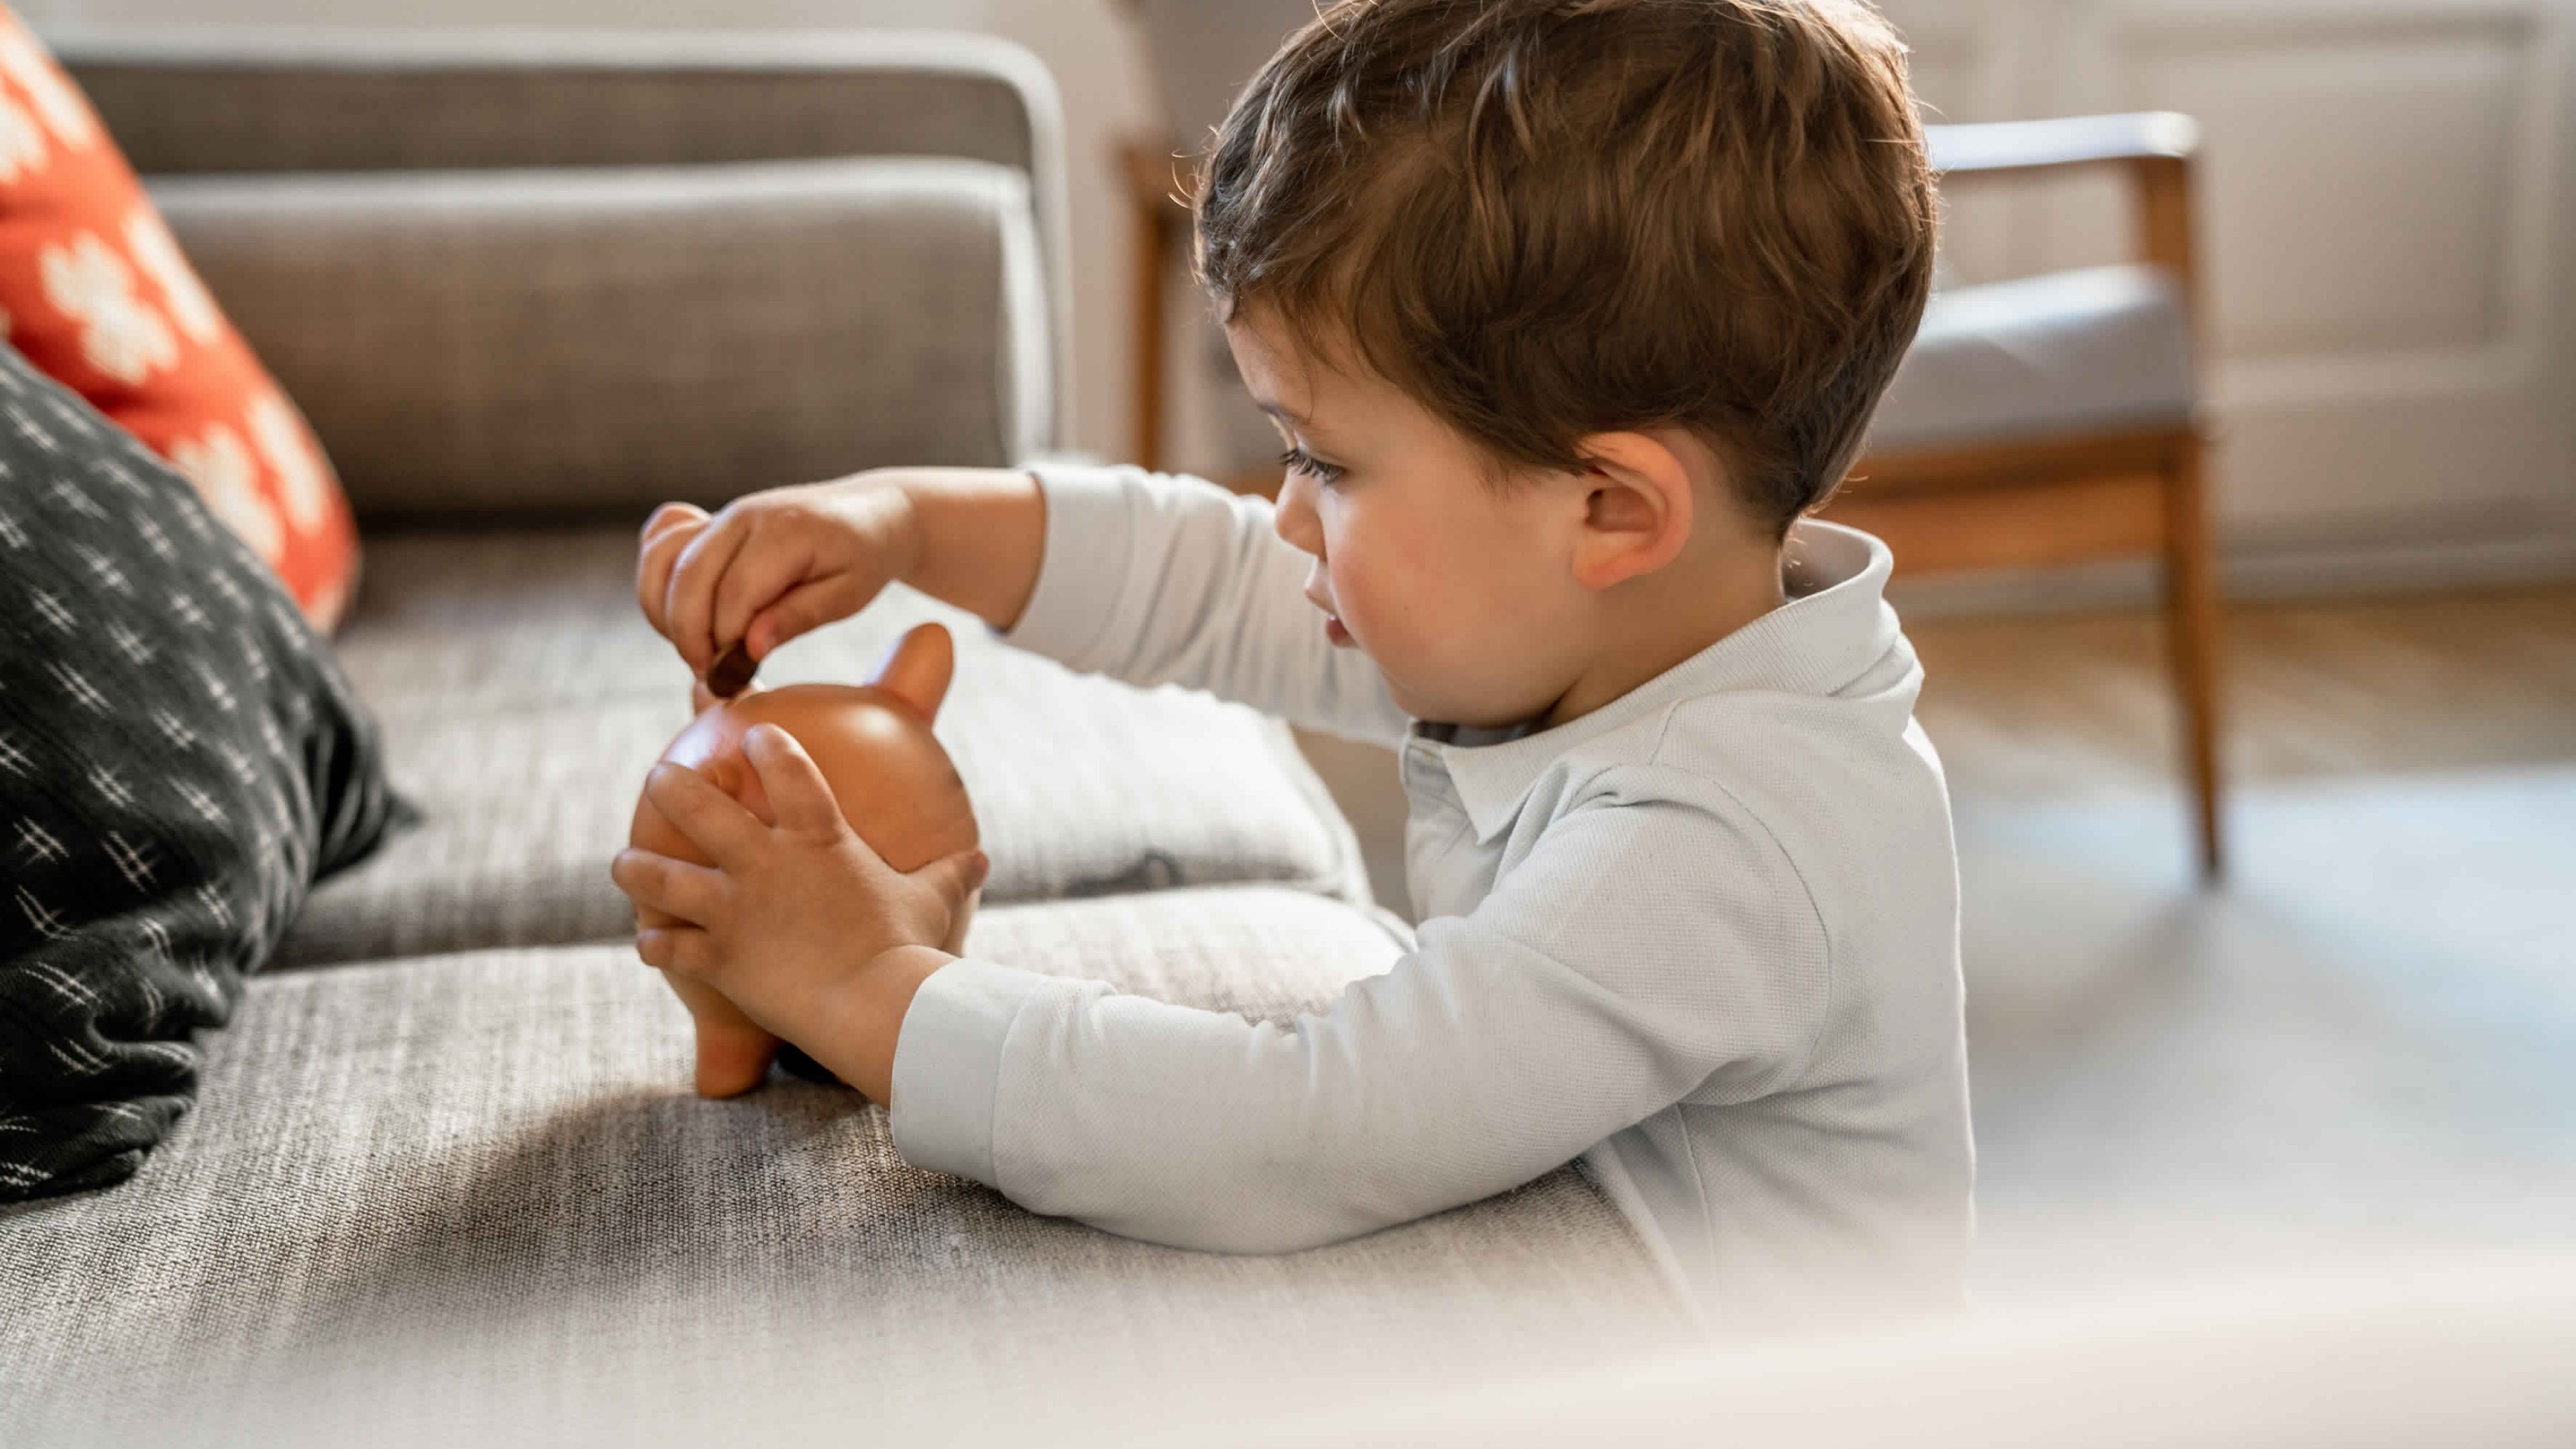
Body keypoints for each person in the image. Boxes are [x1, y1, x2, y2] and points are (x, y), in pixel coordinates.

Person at [612, 0, 1969, 1332]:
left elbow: (1303, 1132)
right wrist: (907, 524)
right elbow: (1199, 578)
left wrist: (867, 990)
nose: (1287, 514)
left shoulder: (1724, 838)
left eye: (1325, 460)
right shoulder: (1596, 616)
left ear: (1610, 510)